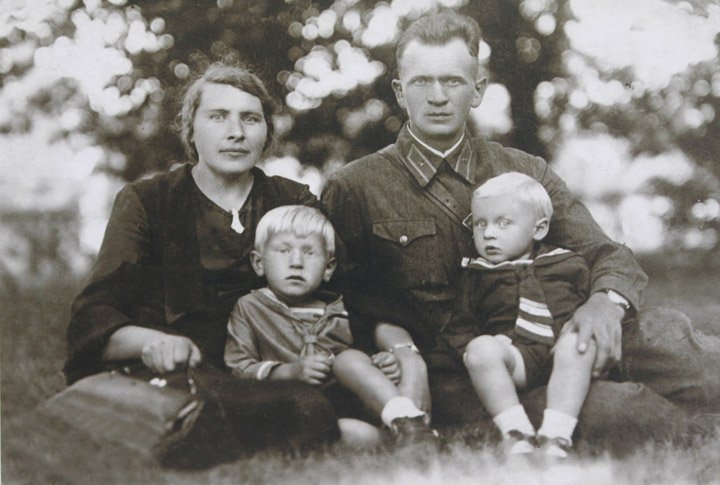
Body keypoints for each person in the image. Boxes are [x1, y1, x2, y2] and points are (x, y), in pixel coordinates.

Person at [321, 10, 719, 446]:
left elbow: (605, 253)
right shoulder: (355, 186)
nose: (437, 96)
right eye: (422, 82)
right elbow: (339, 304)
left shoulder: (523, 168)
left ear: (477, 90)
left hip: (569, 335)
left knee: (687, 354)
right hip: (474, 370)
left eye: (453, 81)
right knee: (620, 411)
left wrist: (604, 304)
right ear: (400, 91)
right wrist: (392, 358)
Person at [64, 60, 340, 464]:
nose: (236, 132)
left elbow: (334, 295)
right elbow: (95, 312)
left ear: (266, 133)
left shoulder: (292, 201)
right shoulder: (148, 201)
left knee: (307, 405)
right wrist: (151, 342)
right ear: (191, 129)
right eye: (218, 117)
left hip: (266, 376)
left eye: (250, 119)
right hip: (174, 372)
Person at [224, 205, 437, 446]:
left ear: (328, 268)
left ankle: (408, 422)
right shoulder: (250, 307)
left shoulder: (343, 308)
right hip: (298, 407)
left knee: (349, 359)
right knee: (352, 433)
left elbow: (363, 356)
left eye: (309, 253)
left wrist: (381, 363)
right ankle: (406, 438)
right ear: (258, 263)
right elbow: (238, 367)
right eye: (283, 250)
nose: (296, 262)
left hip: (352, 402)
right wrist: (289, 372)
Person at [442, 172, 596, 458]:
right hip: (516, 360)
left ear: (538, 230)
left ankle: (556, 436)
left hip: (565, 357)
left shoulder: (567, 263)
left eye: (503, 223)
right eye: (480, 223)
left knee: (580, 341)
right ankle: (517, 433)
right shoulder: (476, 276)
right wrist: (485, 349)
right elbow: (459, 327)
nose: (488, 233)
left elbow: (588, 305)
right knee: (480, 349)